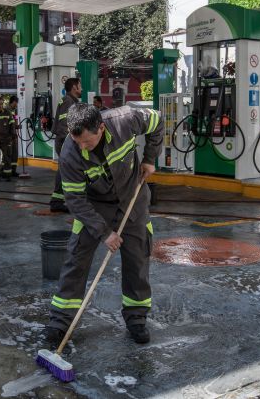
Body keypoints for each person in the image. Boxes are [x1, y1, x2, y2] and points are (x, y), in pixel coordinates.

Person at [44, 103, 163, 345]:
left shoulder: (126, 119)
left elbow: (157, 121)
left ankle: (136, 318)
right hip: (95, 207)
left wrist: (150, 159)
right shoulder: (70, 153)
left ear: (101, 127)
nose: (82, 146)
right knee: (76, 258)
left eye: (87, 141)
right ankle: (60, 321)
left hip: (132, 199)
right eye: (78, 141)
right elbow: (75, 200)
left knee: (137, 259)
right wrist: (104, 232)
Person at [50, 77, 82, 212]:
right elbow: (64, 124)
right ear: (74, 87)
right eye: (80, 86)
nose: (81, 88)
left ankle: (59, 200)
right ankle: (57, 201)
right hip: (64, 141)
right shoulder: (68, 102)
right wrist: (72, 141)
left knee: (66, 170)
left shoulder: (70, 101)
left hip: (65, 141)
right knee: (65, 170)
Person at [8, 95, 20, 177]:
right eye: (16, 103)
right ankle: (5, 171)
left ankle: (13, 170)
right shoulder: (6, 110)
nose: (16, 105)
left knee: (15, 153)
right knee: (8, 153)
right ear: (12, 102)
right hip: (8, 136)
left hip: (14, 135)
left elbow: (15, 120)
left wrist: (17, 125)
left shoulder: (14, 110)